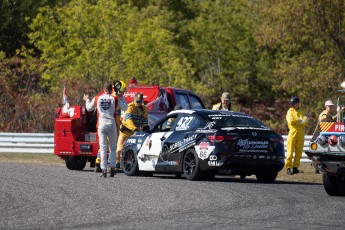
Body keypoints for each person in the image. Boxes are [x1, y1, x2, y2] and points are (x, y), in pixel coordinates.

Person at [83, 83, 127, 178]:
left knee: (103, 147)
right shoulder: (115, 98)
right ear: (111, 90)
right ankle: (112, 168)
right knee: (112, 148)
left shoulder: (97, 98)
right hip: (111, 124)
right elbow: (125, 108)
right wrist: (121, 97)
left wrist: (87, 100)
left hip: (101, 124)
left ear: (103, 89)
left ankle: (103, 169)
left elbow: (89, 108)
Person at [116, 92, 149, 170]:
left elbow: (144, 121)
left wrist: (145, 128)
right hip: (125, 131)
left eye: (140, 102)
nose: (138, 103)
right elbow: (128, 120)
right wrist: (134, 128)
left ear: (142, 101)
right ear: (134, 100)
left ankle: (130, 165)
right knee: (119, 149)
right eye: (137, 101)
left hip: (136, 133)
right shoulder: (129, 107)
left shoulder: (144, 109)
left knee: (135, 149)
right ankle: (117, 164)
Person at [285, 96, 308, 175]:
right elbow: (290, 121)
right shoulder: (290, 111)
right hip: (292, 132)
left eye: (294, 104)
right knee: (290, 151)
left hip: (301, 133)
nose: (293, 105)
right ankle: (288, 167)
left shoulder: (303, 111)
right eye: (292, 104)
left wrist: (299, 122)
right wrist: (298, 120)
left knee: (299, 151)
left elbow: (305, 121)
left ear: (298, 103)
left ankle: (295, 168)